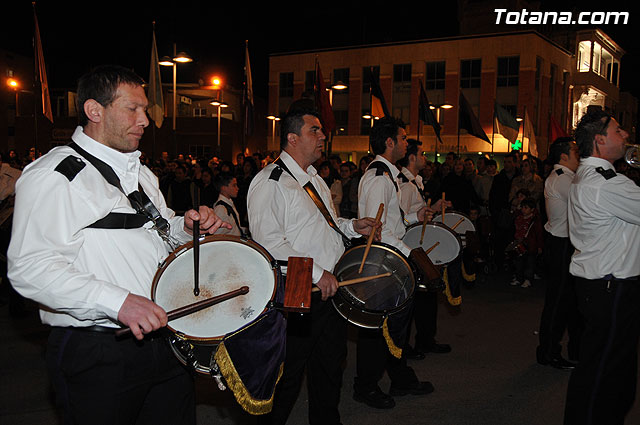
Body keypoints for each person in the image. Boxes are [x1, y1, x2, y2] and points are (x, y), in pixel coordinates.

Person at [7, 65, 229, 425]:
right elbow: (30, 268)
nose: (145, 120)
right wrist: (118, 302)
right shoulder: (55, 176)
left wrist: (187, 227)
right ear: (95, 111)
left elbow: (154, 231)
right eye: (133, 109)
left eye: (145, 109)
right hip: (99, 351)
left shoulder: (141, 172)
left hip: (164, 340)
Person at [248, 108, 380, 425]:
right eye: (314, 131)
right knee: (288, 374)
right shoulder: (271, 182)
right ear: (292, 138)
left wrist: (351, 227)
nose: (323, 136)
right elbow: (268, 245)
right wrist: (320, 275)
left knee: (330, 365)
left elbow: (323, 227)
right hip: (298, 288)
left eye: (321, 130)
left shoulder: (314, 179)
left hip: (329, 289)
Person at [355, 116, 447, 409]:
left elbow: (391, 222)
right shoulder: (379, 179)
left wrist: (413, 218)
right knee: (378, 329)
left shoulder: (388, 176)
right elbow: (376, 231)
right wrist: (407, 255)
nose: (408, 143)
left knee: (395, 328)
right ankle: (366, 386)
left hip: (391, 259)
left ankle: (399, 377)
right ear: (390, 142)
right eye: (404, 138)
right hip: (383, 264)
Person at [564, 109, 640, 425]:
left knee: (607, 369)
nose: (625, 135)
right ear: (599, 140)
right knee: (605, 373)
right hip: (612, 285)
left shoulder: (596, 177)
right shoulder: (607, 183)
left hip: (602, 284)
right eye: (618, 130)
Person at [396, 139, 451, 360]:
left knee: (426, 297)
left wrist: (434, 209)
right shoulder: (405, 186)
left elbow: (417, 216)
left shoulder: (414, 183)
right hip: (411, 249)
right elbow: (400, 221)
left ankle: (425, 340)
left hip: (419, 247)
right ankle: (411, 345)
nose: (425, 158)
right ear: (411, 158)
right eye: (422, 153)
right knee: (416, 299)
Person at [536, 137, 581, 370]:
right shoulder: (563, 179)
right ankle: (549, 351)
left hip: (565, 244)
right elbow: (586, 205)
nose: (579, 156)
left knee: (571, 301)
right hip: (562, 245)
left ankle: (573, 348)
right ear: (563, 156)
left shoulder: (567, 178)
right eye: (575, 152)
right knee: (558, 302)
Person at [508, 197, 543, 288]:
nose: (523, 210)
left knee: (529, 263)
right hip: (519, 244)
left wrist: (539, 246)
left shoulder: (535, 220)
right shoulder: (518, 217)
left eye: (526, 208)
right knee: (518, 262)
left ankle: (528, 279)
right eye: (522, 207)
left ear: (532, 209)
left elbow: (539, 234)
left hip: (530, 246)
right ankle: (519, 278)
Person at [213, 173, 244, 237]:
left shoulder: (229, 204)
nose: (237, 188)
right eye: (234, 185)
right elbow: (218, 235)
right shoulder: (220, 208)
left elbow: (234, 228)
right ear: (224, 188)